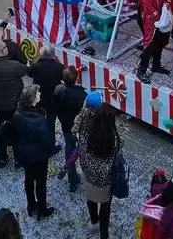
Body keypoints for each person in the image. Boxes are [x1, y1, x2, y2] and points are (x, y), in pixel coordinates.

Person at [0, 84, 55, 219]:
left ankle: (31, 206)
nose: (40, 94)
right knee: (40, 183)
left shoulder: (17, 114)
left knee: (29, 180)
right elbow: (46, 143)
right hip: (39, 157)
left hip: (23, 154)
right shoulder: (40, 121)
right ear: (32, 99)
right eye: (37, 93)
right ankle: (42, 209)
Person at [76, 94, 120, 239]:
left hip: (89, 176)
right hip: (105, 180)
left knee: (91, 199)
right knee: (106, 207)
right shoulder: (114, 141)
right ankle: (104, 234)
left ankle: (94, 221)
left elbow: (81, 153)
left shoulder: (85, 136)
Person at [0, 39, 29, 167]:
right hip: (13, 103)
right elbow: (24, 70)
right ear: (3, 51)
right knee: (17, 130)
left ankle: (2, 158)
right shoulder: (13, 66)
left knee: (0, 128)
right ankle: (18, 159)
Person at [54, 65, 87, 193]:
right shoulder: (82, 94)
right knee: (78, 149)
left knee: (70, 147)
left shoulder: (58, 89)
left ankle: (72, 178)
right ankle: (78, 177)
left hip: (66, 124)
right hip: (79, 127)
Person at [29, 43, 64, 137]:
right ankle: (50, 139)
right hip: (53, 98)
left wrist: (37, 60)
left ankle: (38, 136)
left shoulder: (36, 66)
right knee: (51, 121)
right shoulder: (60, 67)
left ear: (41, 54)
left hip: (39, 97)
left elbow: (29, 73)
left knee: (38, 118)